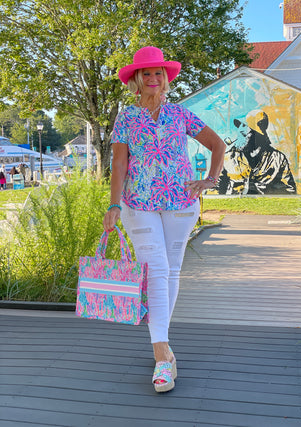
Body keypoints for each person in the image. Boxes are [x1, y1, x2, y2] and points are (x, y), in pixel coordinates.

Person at [103, 46, 225, 393]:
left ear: (166, 78)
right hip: (137, 203)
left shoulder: (181, 114)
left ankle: (165, 348)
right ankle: (161, 357)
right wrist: (113, 204)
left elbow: (218, 145)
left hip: (181, 202)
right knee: (155, 269)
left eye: (159, 73)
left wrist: (210, 179)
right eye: (147, 74)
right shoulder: (127, 117)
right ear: (137, 81)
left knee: (171, 271)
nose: (154, 79)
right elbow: (120, 165)